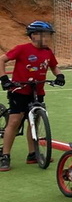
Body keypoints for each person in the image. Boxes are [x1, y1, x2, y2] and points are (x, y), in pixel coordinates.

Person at [0, 21, 66, 172]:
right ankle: (5, 155)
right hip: (20, 90)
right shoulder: (22, 49)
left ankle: (32, 154)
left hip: (37, 91)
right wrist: (4, 79)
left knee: (34, 122)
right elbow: (2, 60)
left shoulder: (48, 52)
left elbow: (54, 66)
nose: (48, 38)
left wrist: (60, 75)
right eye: (45, 35)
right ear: (34, 35)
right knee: (14, 121)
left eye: (49, 35)